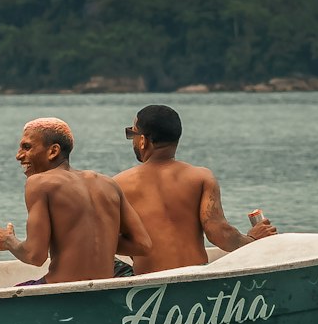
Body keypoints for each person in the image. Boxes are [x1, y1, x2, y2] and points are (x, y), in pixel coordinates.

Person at [0, 117, 152, 284]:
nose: (18, 155)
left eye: (26, 147)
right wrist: (90, 239)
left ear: (53, 151)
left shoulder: (38, 183)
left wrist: (8, 241)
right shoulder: (107, 183)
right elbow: (142, 245)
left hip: (62, 291)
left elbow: (35, 256)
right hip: (104, 288)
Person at [113, 104, 277, 275]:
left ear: (143, 141)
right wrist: (252, 240)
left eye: (131, 134)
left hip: (148, 282)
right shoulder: (201, 177)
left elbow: (108, 239)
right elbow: (218, 233)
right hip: (195, 275)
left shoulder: (118, 184)